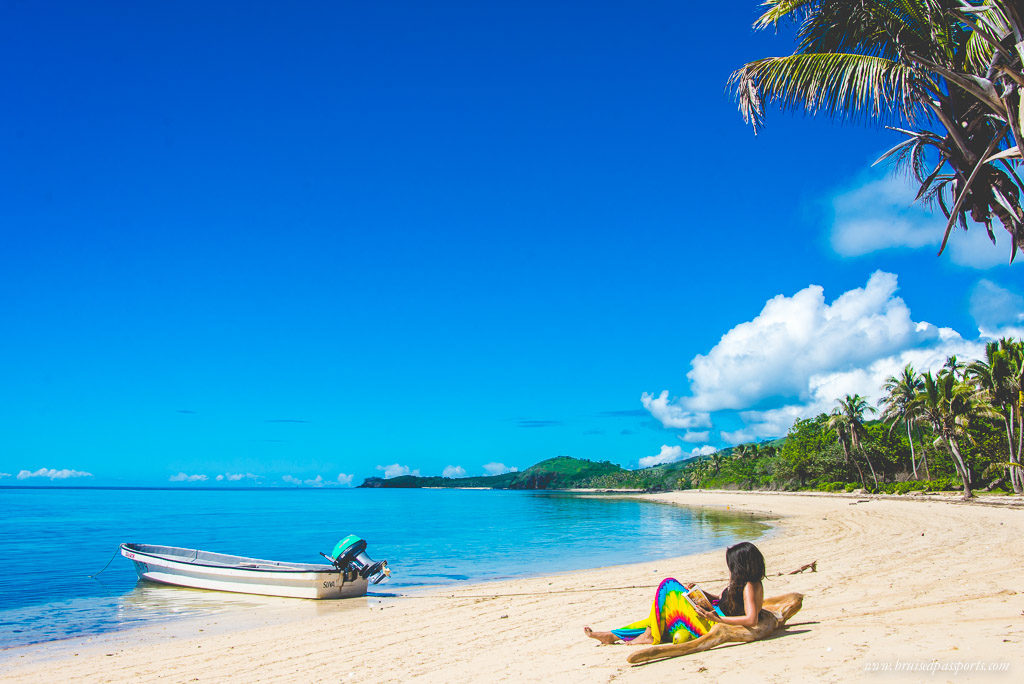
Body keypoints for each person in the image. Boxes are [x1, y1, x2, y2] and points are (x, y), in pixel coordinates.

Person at [583, 541, 767, 645]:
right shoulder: (745, 583)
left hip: (715, 623)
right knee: (658, 615)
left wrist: (717, 619)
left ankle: (649, 636)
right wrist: (703, 593)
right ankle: (613, 635)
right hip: (714, 613)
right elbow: (726, 601)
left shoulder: (750, 585)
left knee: (668, 586)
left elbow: (752, 619)